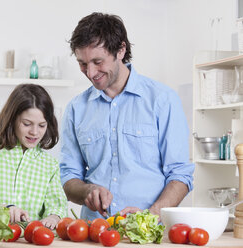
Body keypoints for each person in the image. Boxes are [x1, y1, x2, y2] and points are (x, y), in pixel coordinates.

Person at [59, 12, 195, 221]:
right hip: (94, 232)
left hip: (148, 234)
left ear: (120, 50)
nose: (90, 72)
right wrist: (87, 191)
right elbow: (69, 178)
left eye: (97, 61)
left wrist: (150, 217)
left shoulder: (162, 100)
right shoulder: (76, 108)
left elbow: (180, 174)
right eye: (83, 63)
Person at [0, 83, 67, 229]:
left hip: (30, 242)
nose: (34, 132)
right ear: (12, 119)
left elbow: (57, 205)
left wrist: (53, 217)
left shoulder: (49, 164)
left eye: (42, 125)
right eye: (27, 124)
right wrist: (2, 209)